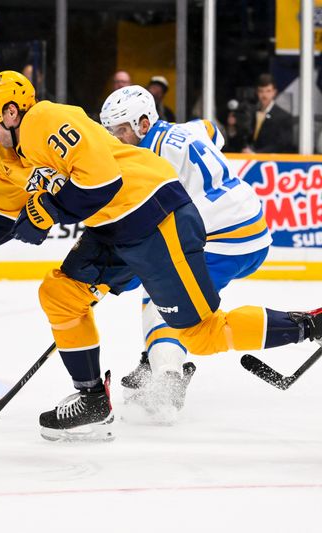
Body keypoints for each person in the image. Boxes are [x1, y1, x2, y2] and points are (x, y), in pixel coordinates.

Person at [0, 71, 322, 442]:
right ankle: (93, 401)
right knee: (61, 294)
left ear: (12, 112)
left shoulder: (44, 119)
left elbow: (102, 180)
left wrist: (51, 210)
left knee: (200, 335)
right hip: (115, 226)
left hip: (154, 211)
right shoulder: (7, 156)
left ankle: (309, 326)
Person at [99, 85, 273, 419]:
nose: (116, 138)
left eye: (121, 130)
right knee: (161, 291)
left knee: (165, 299)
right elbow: (213, 130)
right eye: (112, 131)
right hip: (249, 226)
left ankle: (167, 380)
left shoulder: (147, 161)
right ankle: (154, 361)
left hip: (224, 239)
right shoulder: (183, 130)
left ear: (143, 123)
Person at [244, 74, 295, 154]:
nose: (264, 95)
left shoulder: (284, 117)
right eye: (261, 91)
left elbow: (283, 144)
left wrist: (257, 154)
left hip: (273, 162)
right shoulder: (253, 113)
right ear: (257, 92)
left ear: (274, 92)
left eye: (268, 91)